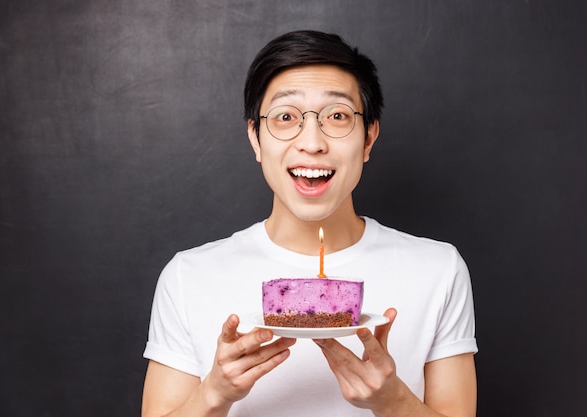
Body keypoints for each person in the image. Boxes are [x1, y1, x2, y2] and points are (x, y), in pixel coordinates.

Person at [142, 30, 477, 417]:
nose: (312, 142)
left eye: (337, 116)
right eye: (286, 117)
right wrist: (214, 393)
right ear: (255, 137)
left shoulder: (438, 269)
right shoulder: (188, 276)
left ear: (369, 138)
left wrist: (392, 401)